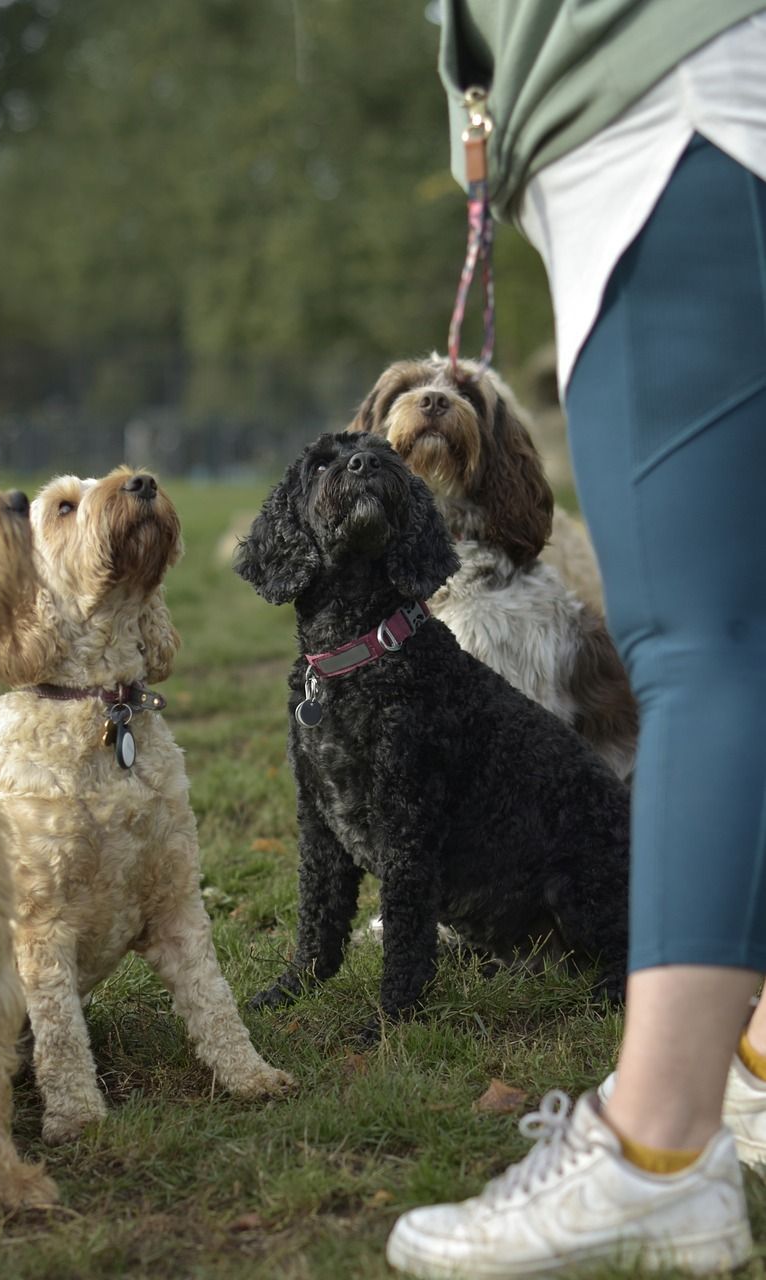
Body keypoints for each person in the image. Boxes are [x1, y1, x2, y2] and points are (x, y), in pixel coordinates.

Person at [386, 2, 766, 1276]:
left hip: (671, 112)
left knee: (700, 645)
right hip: (693, 103)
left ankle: (657, 1146)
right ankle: (754, 1043)